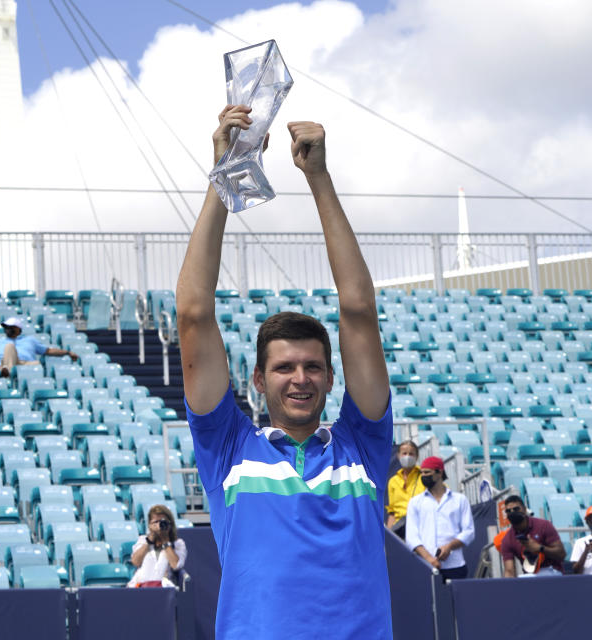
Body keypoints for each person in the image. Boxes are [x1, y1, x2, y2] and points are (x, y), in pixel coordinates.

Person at [176, 106, 392, 640]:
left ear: (331, 378)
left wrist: (318, 178)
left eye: (314, 366)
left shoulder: (362, 446)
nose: (300, 378)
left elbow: (359, 309)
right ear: (256, 380)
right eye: (284, 368)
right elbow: (193, 314)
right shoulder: (228, 448)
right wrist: (225, 171)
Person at [405, 456, 475, 580]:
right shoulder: (415, 502)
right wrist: (429, 558)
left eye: (427, 472)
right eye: (421, 473)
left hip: (455, 565)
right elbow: (411, 537)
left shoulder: (460, 500)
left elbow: (469, 532)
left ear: (439, 473)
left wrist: (449, 547)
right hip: (425, 565)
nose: (423, 476)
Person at [0, 317, 77, 378]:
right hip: (9, 365)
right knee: (9, 347)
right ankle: (8, 371)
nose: (7, 329)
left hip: (26, 365)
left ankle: (9, 370)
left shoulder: (30, 340)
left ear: (18, 329)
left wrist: (67, 352)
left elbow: (48, 351)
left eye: (11, 327)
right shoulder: (0, 342)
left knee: (37, 364)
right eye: (6, 327)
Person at [500, 494, 566, 577]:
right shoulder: (507, 539)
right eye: (508, 511)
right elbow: (509, 571)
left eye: (516, 509)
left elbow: (561, 554)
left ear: (524, 509)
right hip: (530, 575)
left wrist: (540, 548)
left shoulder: (543, 525)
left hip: (552, 571)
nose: (512, 512)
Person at [127, 504, 187, 588]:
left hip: (163, 589)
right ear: (149, 525)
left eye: (163, 522)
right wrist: (150, 540)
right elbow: (135, 561)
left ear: (170, 524)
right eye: (156, 522)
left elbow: (176, 565)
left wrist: (165, 541)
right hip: (140, 588)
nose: (159, 525)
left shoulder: (178, 544)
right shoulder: (142, 540)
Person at [386, 440, 421, 531]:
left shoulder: (424, 477)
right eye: (404, 453)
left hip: (420, 525)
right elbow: (392, 512)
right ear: (398, 456)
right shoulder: (393, 481)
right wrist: (390, 535)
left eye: (411, 454)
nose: (407, 457)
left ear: (417, 457)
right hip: (399, 528)